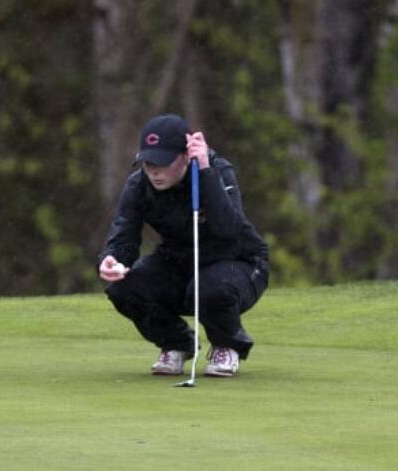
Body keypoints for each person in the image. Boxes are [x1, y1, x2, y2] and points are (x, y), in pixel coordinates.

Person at [97, 113, 269, 378]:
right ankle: (177, 343)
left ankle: (227, 345)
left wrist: (205, 171)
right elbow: (124, 236)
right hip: (180, 263)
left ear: (186, 155)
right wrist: (113, 259)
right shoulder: (139, 185)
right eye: (148, 162)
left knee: (209, 288)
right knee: (123, 288)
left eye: (162, 162)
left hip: (240, 264)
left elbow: (229, 229)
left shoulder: (216, 170)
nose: (154, 170)